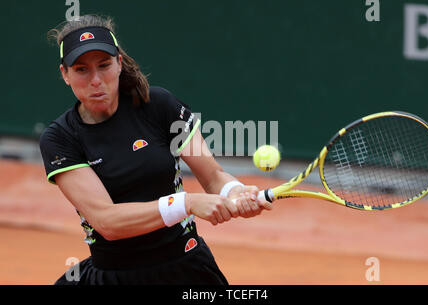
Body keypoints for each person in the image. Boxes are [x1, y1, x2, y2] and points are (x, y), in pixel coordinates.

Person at [40, 15, 272, 285]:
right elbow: (107, 222)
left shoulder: (159, 106)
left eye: (104, 66)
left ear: (119, 64)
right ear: (65, 74)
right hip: (115, 276)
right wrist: (186, 203)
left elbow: (212, 176)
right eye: (81, 70)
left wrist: (235, 192)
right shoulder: (60, 139)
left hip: (187, 270)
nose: (95, 80)